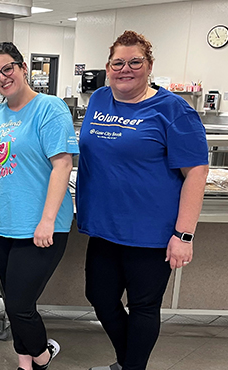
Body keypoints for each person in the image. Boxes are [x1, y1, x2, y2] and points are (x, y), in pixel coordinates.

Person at [76, 30, 209, 370]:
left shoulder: (172, 110)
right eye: (118, 62)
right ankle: (129, 363)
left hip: (151, 232)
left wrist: (184, 235)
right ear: (108, 67)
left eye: (135, 62)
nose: (126, 69)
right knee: (100, 297)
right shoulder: (99, 99)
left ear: (149, 66)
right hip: (105, 227)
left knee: (143, 307)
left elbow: (196, 171)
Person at [0, 42, 78, 370]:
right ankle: (25, 363)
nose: (3, 77)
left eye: (8, 68)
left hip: (38, 226)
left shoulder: (50, 108)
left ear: (22, 67)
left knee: (20, 305)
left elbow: (62, 164)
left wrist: (47, 220)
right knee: (14, 301)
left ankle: (43, 355)